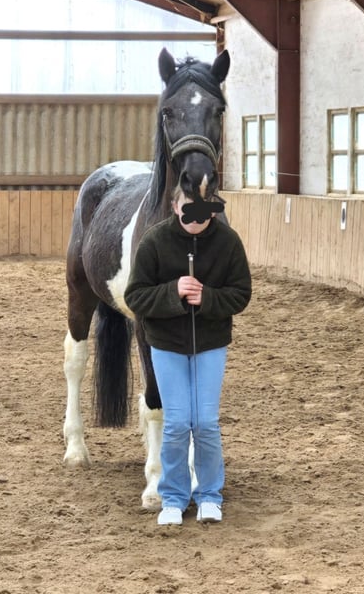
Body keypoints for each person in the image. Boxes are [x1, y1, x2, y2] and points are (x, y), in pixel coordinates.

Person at [124, 187, 252, 526]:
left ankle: (209, 495)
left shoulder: (228, 242)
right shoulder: (154, 242)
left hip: (210, 344)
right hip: (166, 346)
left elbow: (241, 294)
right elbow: (135, 296)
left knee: (206, 423)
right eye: (188, 207)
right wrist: (173, 292)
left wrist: (207, 299)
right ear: (174, 205)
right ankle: (173, 497)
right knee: (177, 423)